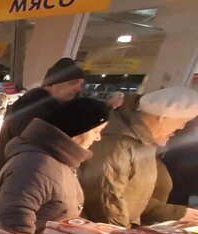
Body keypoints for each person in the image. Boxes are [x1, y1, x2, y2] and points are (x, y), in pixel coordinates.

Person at [0, 98, 110, 234]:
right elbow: (15, 225)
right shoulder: (34, 165)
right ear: (80, 128)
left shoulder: (57, 160)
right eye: (97, 131)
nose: (98, 138)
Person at [79, 86, 198, 226]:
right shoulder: (119, 141)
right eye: (183, 121)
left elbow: (135, 195)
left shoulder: (143, 142)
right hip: (98, 230)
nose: (182, 127)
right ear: (164, 117)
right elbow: (106, 198)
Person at [0, 58, 86, 196]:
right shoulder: (34, 112)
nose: (78, 89)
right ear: (52, 84)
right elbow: (36, 158)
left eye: (81, 84)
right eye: (72, 83)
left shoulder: (43, 108)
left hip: (21, 186)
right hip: (18, 188)